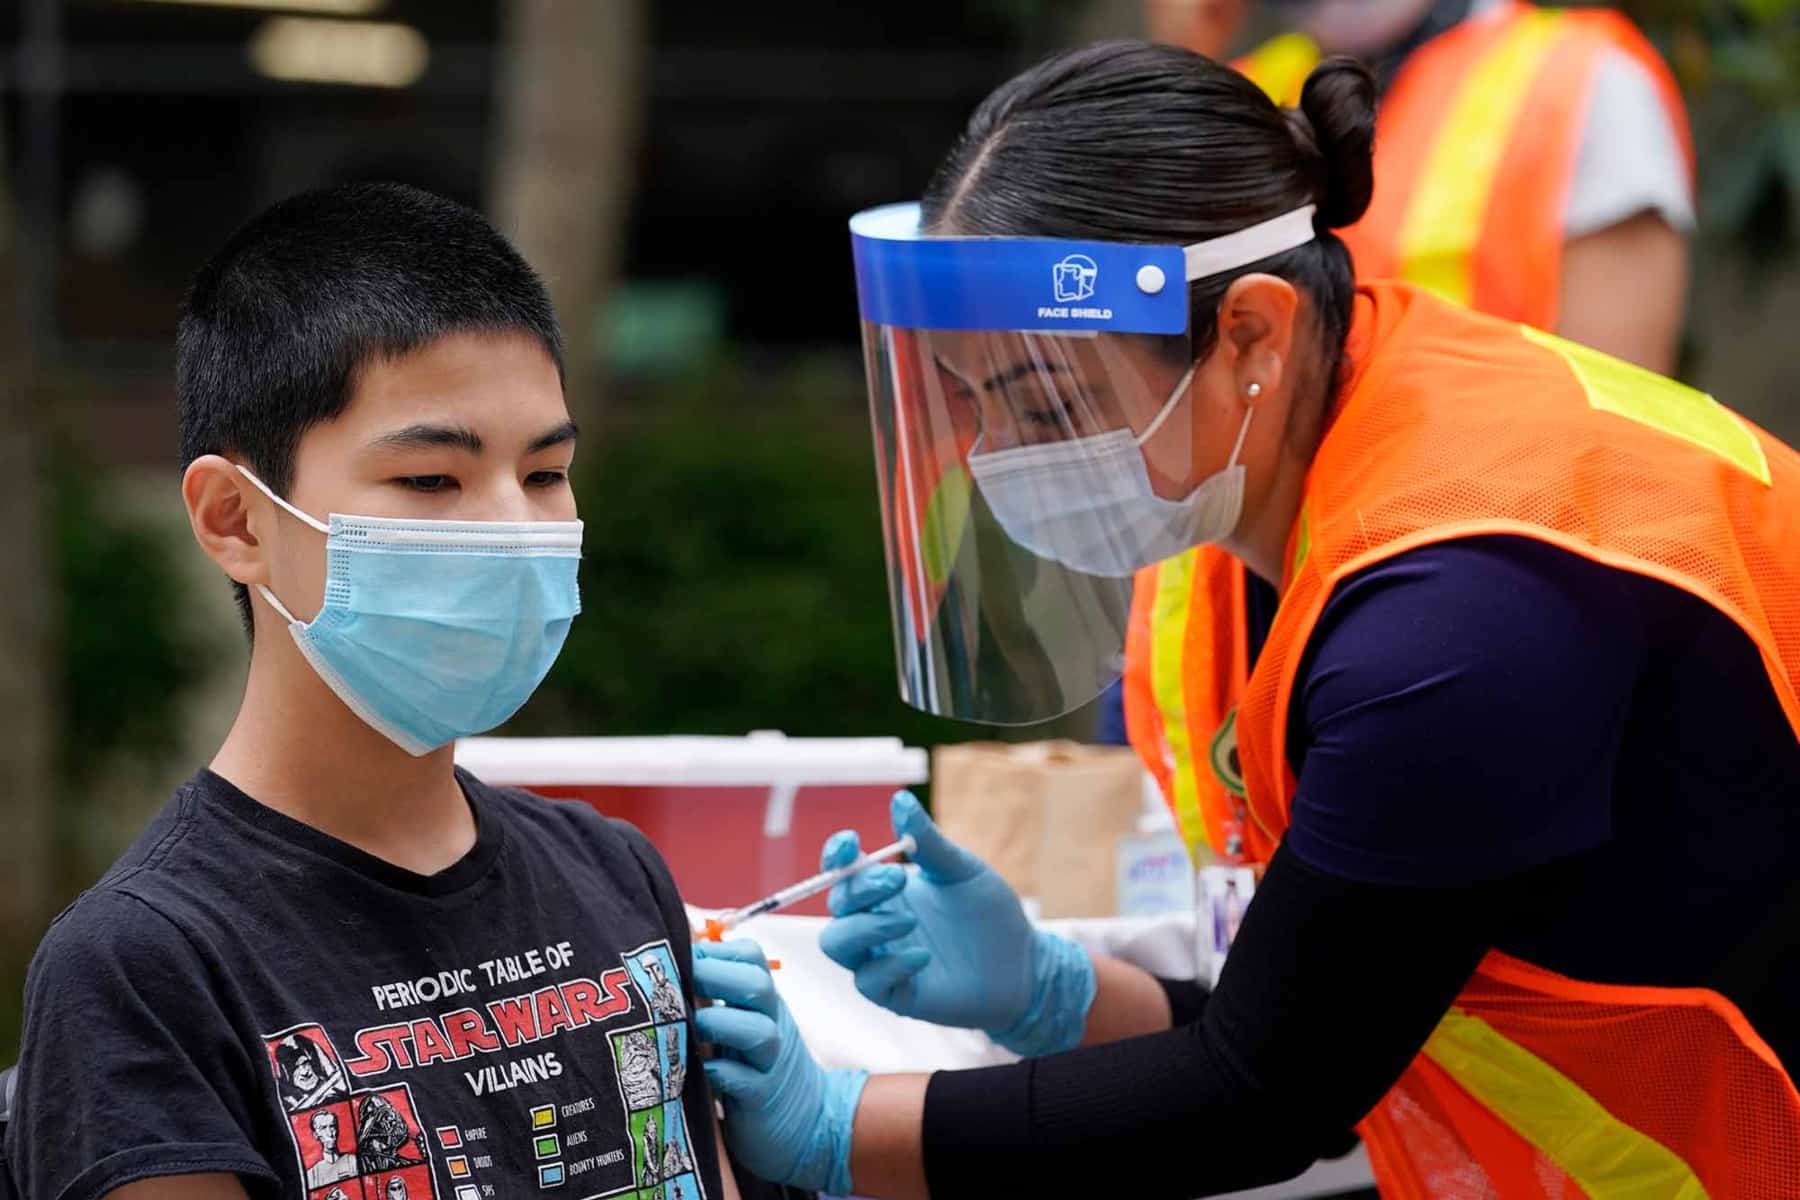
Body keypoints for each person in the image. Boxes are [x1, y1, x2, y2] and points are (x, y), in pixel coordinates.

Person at [691, 43, 1800, 1198]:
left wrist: (840, 1128)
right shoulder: (1267, 490)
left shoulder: (1460, 616)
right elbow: (1323, 1005)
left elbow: (1267, 1098)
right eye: (968, 403)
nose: (992, 460)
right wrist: (1053, 992)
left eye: (1045, 401)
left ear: (1253, 337)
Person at [5, 184, 743, 1200]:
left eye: (545, 473)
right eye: (432, 480)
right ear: (235, 520)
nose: (512, 532)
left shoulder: (617, 877)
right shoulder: (149, 966)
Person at [1109, 0, 1695, 781]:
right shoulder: (1260, 81)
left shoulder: (1581, 82)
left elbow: (1625, 426)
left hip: (1478, 619)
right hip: (1250, 611)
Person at [303, 1112, 357, 1190]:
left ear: (337, 1130)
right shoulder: (312, 1175)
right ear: (316, 1135)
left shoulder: (353, 1161)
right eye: (323, 1128)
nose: (329, 1133)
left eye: (332, 1126)